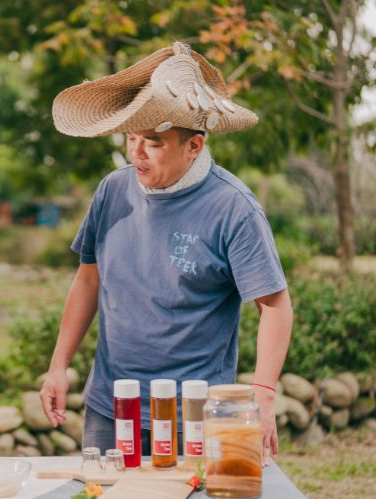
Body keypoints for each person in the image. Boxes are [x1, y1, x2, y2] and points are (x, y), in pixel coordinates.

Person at [40, 41, 293, 465]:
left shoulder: (234, 208)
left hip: (191, 413)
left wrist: (263, 396)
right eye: (131, 137)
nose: (135, 153)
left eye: (153, 142)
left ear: (193, 146)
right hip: (111, 403)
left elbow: (275, 306)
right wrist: (58, 365)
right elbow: (88, 278)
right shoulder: (113, 190)